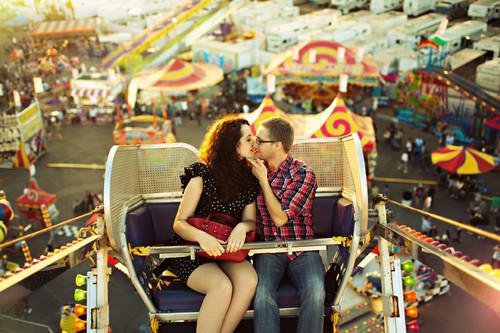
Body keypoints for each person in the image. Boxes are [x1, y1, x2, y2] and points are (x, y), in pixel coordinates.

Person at [154, 115, 260, 333]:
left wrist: (242, 227)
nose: (254, 142)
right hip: (192, 251)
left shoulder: (248, 179)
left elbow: (250, 220)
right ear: (233, 145)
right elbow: (179, 223)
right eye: (248, 139)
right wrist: (204, 238)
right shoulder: (201, 175)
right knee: (221, 287)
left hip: (226, 249)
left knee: (249, 280)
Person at [247, 117, 325, 333]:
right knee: (262, 296)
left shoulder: (303, 174)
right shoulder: (253, 169)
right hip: (268, 248)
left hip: (301, 248)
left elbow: (280, 218)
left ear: (278, 145)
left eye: (260, 141)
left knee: (316, 292)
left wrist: (263, 181)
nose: (255, 145)